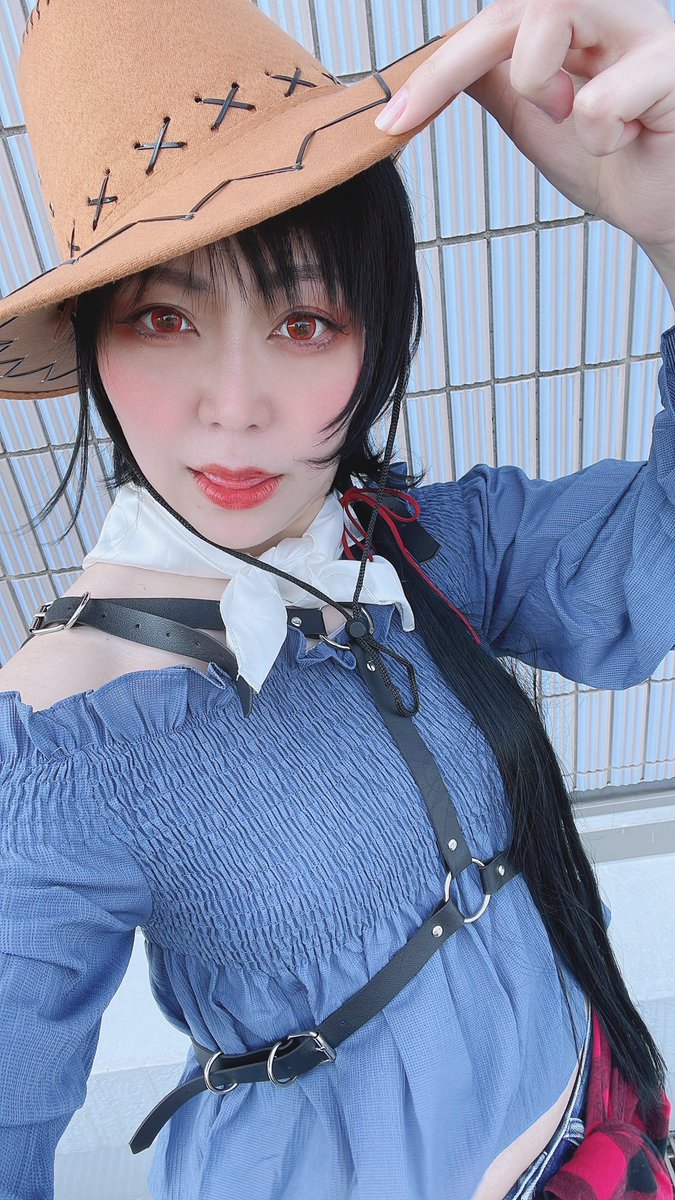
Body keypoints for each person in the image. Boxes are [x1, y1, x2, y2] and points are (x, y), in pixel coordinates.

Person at [0, 1, 673, 1198]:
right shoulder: (66, 746)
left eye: (305, 320)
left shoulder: (416, 550)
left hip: (604, 1129)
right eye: (164, 317)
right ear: (95, 341)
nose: (236, 405)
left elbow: (652, 563)